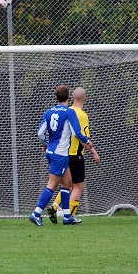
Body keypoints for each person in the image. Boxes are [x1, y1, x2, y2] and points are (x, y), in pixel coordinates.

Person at [29, 85, 97, 226]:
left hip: (52, 152)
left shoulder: (49, 112)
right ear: (68, 98)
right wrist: (88, 142)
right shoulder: (68, 112)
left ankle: (67, 216)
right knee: (52, 185)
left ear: (56, 97)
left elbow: (40, 133)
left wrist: (45, 143)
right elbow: (77, 133)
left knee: (67, 183)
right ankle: (36, 213)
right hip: (60, 154)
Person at [47, 87, 100, 224]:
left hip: (62, 153)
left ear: (72, 98)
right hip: (75, 155)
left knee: (67, 185)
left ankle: (54, 206)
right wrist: (94, 152)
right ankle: (70, 216)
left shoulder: (67, 111)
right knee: (77, 186)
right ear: (85, 99)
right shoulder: (82, 115)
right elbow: (83, 138)